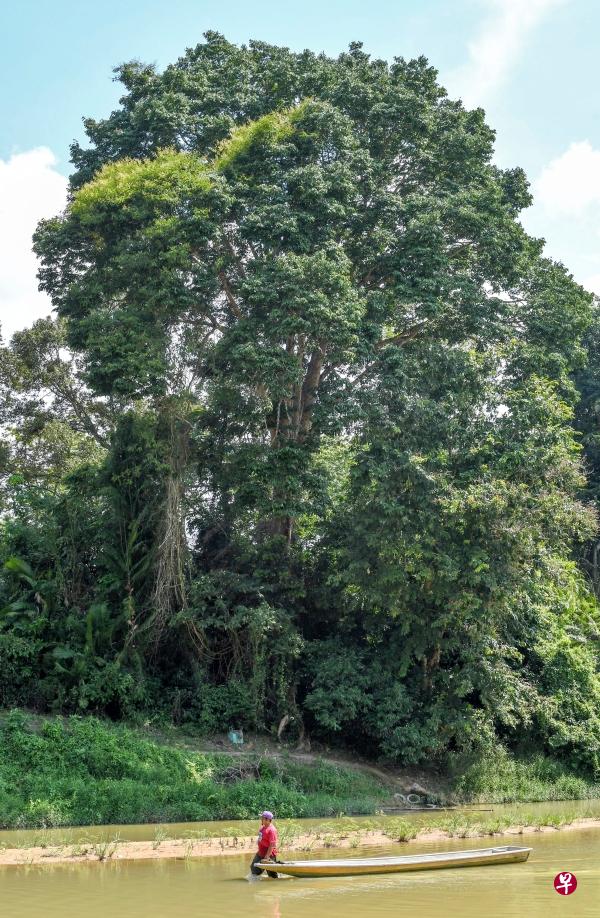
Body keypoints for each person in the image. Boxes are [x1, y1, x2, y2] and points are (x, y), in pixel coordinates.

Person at [250, 811, 279, 878]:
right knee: (254, 869)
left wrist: (266, 857)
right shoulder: (262, 827)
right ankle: (255, 881)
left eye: (262, 818)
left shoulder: (271, 830)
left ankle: (275, 884)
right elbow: (261, 839)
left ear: (267, 820)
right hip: (260, 853)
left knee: (272, 876)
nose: (261, 819)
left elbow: (272, 845)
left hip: (269, 855)